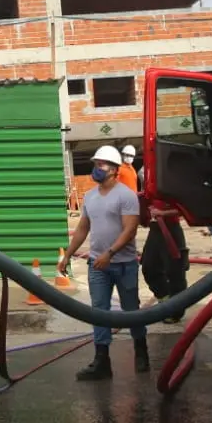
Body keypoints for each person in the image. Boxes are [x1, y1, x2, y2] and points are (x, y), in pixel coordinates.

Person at [59, 145, 149, 379]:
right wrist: (67, 254)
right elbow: (82, 229)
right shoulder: (89, 197)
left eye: (101, 164)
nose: (97, 168)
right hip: (97, 266)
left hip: (124, 263)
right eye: (95, 164)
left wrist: (109, 253)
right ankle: (102, 361)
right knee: (99, 311)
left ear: (114, 169)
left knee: (131, 310)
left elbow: (130, 229)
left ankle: (141, 351)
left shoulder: (126, 195)